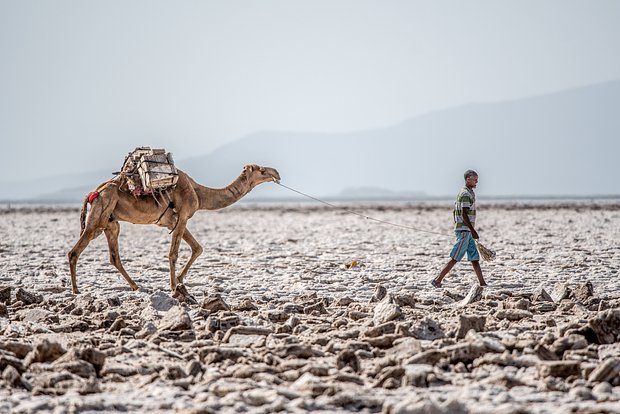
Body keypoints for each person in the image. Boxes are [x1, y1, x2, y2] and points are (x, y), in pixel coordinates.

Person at [431, 170, 487, 288]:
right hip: (465, 231)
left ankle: (482, 283)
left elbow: (454, 211)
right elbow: (463, 213)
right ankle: (437, 280)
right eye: (475, 179)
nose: (477, 181)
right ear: (468, 179)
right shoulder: (465, 194)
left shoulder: (468, 192)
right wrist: (472, 230)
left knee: (474, 257)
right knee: (456, 256)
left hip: (465, 230)